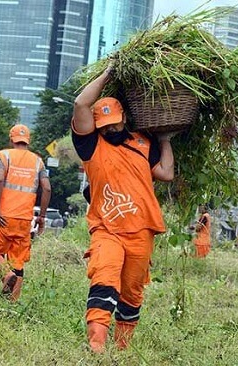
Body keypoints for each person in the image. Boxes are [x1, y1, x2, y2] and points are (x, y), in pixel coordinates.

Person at [72, 66, 175, 353]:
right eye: (104, 125)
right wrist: (108, 73)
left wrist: (165, 140)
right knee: (105, 277)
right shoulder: (90, 145)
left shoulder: (143, 143)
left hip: (142, 230)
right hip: (107, 229)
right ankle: (96, 343)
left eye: (114, 124)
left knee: (132, 292)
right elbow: (81, 103)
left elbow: (166, 173)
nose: (110, 129)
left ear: (124, 119)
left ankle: (122, 349)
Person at [0, 124, 51, 302]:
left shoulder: (4, 155)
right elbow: (47, 188)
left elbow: (0, 178)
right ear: (28, 140)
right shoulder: (38, 161)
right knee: (17, 262)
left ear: (11, 139)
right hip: (24, 220)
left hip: (3, 217)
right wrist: (41, 216)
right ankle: (12, 303)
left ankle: (6, 275)